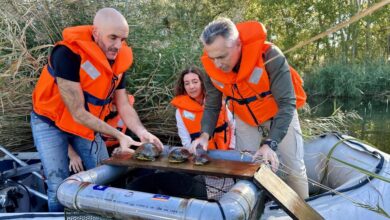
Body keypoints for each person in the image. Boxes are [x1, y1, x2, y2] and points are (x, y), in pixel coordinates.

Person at [30, 8, 163, 211]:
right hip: (50, 122)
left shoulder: (117, 61)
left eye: (123, 39)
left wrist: (142, 132)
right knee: (58, 184)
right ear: (96, 33)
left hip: (84, 125)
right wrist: (119, 135)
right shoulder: (67, 54)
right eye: (113, 37)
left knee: (106, 173)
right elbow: (77, 112)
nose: (118, 45)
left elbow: (124, 104)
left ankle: (99, 214)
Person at [191, 18, 309, 199]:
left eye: (222, 56)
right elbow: (213, 106)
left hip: (278, 114)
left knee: (294, 167)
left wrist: (270, 143)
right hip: (246, 118)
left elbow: (287, 104)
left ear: (238, 44)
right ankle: (246, 207)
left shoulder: (270, 56)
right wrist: (204, 135)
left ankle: (304, 208)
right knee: (243, 166)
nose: (217, 64)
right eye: (212, 57)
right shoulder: (212, 68)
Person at [68, 94, 135, 174]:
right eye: (112, 105)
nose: (114, 109)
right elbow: (64, 134)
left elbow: (128, 136)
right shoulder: (89, 111)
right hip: (83, 147)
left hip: (113, 149)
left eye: (116, 105)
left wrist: (121, 149)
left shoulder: (126, 111)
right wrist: (72, 155)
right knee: (76, 167)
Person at [171, 66, 235, 150]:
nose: (191, 86)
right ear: (183, 86)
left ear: (202, 82)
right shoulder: (180, 112)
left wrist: (232, 147)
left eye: (195, 82)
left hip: (226, 153)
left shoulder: (217, 101)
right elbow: (186, 142)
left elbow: (233, 126)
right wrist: (197, 155)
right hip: (201, 155)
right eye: (187, 83)